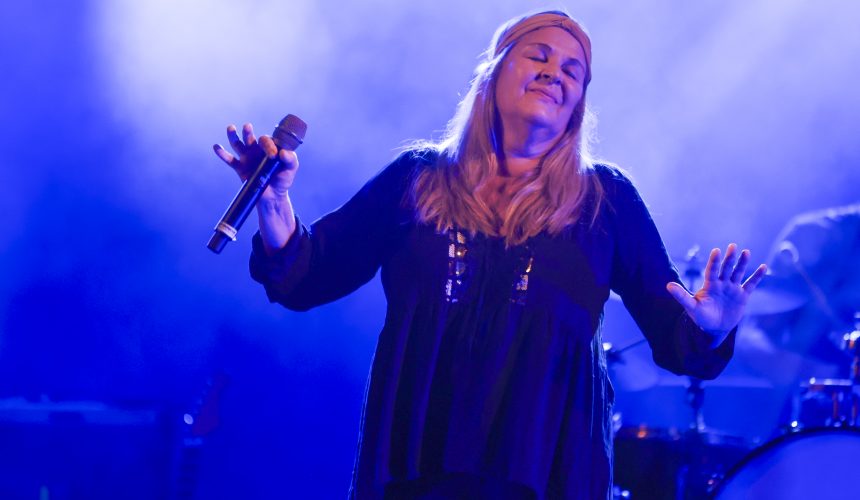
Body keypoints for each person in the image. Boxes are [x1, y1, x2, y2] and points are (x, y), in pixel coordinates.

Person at [213, 10, 766, 499]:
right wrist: (275, 200)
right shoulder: (417, 178)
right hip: (417, 470)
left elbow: (677, 338)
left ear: (578, 104)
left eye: (572, 71)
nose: (555, 73)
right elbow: (310, 274)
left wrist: (712, 327)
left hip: (544, 474)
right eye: (539, 56)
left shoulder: (606, 199)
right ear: (495, 72)